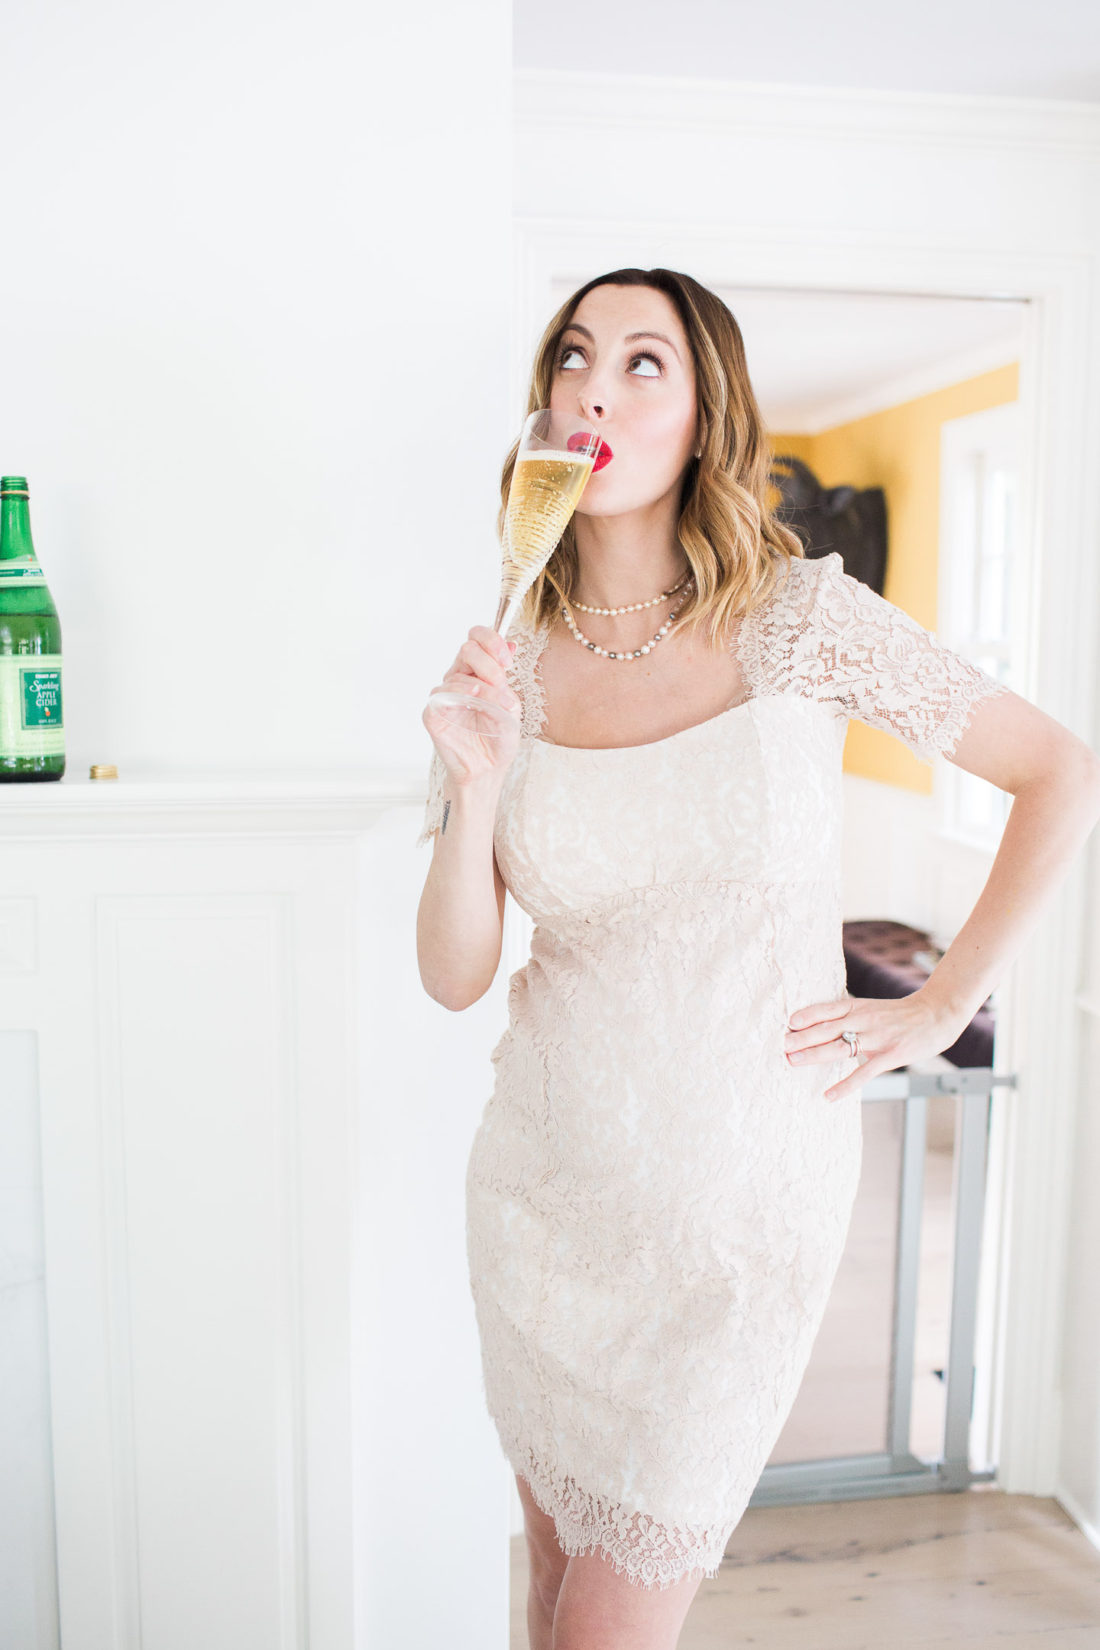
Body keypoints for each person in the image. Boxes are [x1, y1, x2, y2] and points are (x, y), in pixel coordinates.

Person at [415, 267, 1100, 1650]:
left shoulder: (801, 620)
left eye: (644, 362)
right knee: (552, 1611)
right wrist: (473, 785)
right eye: (573, 355)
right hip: (547, 1209)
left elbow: (1056, 768)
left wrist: (947, 999)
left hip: (740, 1227)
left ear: (704, 412)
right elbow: (453, 971)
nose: (594, 385)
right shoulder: (513, 662)